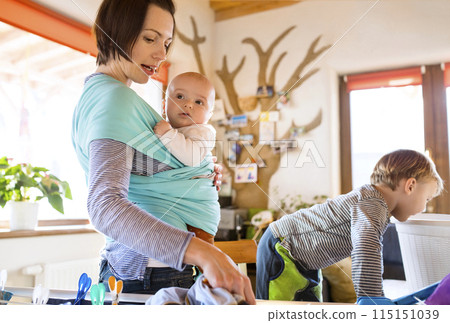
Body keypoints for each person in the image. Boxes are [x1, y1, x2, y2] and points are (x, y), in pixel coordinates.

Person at [71, 0, 255, 304]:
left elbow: (147, 167)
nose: (161, 54)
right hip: (146, 271)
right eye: (149, 38)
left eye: (166, 43)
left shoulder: (106, 96)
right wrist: (204, 252)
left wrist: (195, 175)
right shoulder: (115, 100)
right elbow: (104, 205)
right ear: (116, 31)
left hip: (146, 265)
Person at [256, 149, 443, 302]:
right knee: (279, 312)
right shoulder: (373, 203)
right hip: (283, 249)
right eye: (426, 198)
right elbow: (366, 246)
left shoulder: (375, 204)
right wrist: (371, 297)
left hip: (304, 260)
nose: (424, 207)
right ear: (410, 186)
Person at [154, 71, 217, 244]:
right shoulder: (161, 127)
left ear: (209, 114)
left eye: (199, 102)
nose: (188, 104)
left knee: (200, 254)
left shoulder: (203, 131)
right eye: (180, 96)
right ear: (164, 103)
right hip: (169, 205)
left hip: (197, 212)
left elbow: (192, 158)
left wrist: (168, 134)